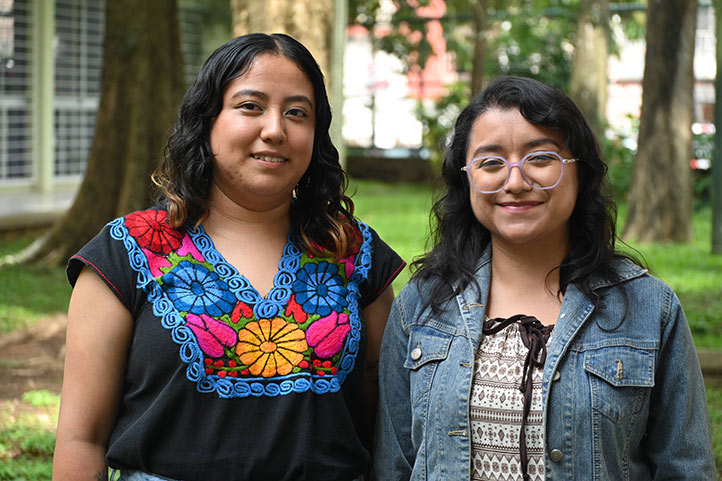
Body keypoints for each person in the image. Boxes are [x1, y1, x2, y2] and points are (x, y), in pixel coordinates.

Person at [52, 33, 405, 481]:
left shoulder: (352, 251)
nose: (275, 129)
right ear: (207, 120)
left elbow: (387, 422)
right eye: (250, 106)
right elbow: (82, 438)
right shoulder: (126, 251)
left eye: (297, 113)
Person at [373, 76, 715, 480]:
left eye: (540, 158)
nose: (515, 182)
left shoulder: (648, 308)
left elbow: (686, 468)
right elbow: (392, 465)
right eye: (490, 163)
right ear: (466, 179)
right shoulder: (423, 305)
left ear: (580, 172)